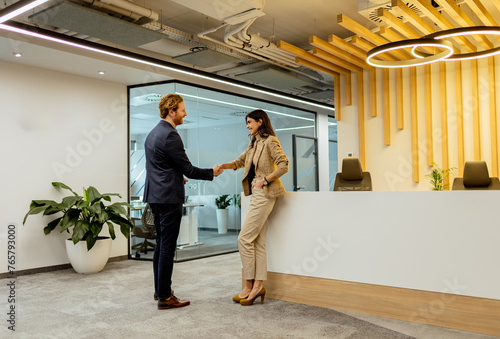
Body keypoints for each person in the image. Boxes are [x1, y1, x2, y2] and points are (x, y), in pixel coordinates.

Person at [143, 93, 222, 310]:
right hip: (169, 198)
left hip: (155, 196)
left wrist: (177, 177)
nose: (185, 113)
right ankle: (165, 298)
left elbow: (159, 167)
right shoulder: (171, 135)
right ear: (171, 110)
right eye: (182, 109)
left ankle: (160, 290)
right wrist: (211, 172)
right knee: (167, 246)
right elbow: (188, 168)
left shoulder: (153, 133)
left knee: (160, 244)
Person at [219, 109, 288, 306]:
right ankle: (258, 285)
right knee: (257, 241)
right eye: (246, 123)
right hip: (255, 193)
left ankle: (249, 285)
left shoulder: (270, 141)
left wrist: (265, 180)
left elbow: (284, 165)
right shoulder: (254, 142)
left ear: (260, 121)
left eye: (250, 122)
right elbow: (239, 162)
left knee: (244, 238)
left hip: (265, 193)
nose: (247, 125)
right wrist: (221, 167)